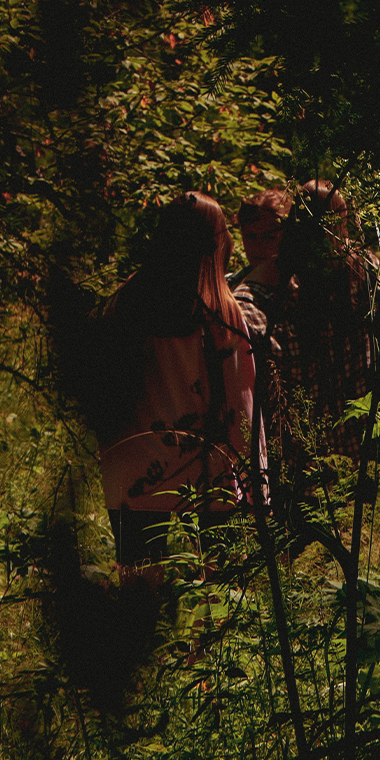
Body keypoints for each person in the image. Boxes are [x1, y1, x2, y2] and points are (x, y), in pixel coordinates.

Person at [90, 191, 261, 572]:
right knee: (223, 577)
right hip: (209, 465)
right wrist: (253, 479)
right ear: (217, 246)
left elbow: (102, 390)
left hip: (134, 469)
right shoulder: (224, 315)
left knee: (140, 574)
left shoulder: (124, 305)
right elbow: (242, 405)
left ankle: (140, 632)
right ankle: (211, 632)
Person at [233, 180, 372, 467]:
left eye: (270, 236)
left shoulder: (314, 284)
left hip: (340, 438)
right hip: (281, 448)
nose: (259, 247)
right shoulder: (237, 292)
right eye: (251, 237)